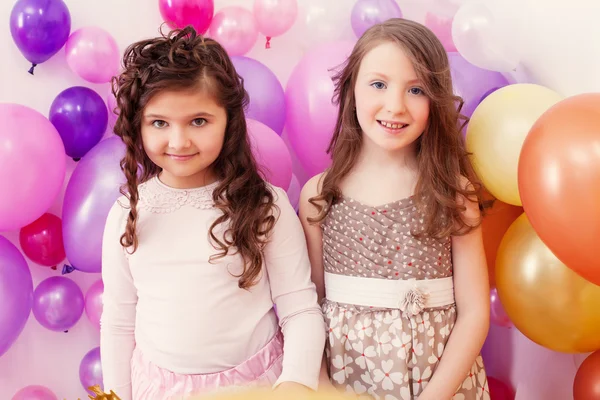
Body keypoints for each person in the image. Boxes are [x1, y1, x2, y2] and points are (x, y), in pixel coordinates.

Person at [100, 27, 325, 400]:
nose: (179, 141)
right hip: (158, 390)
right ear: (138, 125)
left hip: (257, 387)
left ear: (228, 122)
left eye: (199, 121)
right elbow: (119, 323)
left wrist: (295, 385)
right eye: (160, 123)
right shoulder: (128, 212)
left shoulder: (263, 205)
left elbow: (300, 309)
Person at [300, 19, 490, 400]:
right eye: (378, 84)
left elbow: (474, 313)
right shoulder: (320, 195)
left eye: (416, 89)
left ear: (435, 99)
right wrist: (320, 386)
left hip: (441, 382)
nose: (395, 106)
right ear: (352, 88)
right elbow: (310, 307)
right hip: (348, 381)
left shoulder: (452, 193)